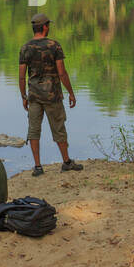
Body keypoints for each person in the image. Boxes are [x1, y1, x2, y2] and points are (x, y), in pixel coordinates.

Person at [18, 12, 83, 175]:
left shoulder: (25, 48)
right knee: (59, 128)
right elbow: (62, 73)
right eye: (49, 25)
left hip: (33, 95)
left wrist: (23, 96)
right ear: (45, 27)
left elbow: (21, 76)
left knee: (34, 130)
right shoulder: (55, 46)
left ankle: (38, 167)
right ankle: (66, 162)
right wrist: (71, 93)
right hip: (52, 95)